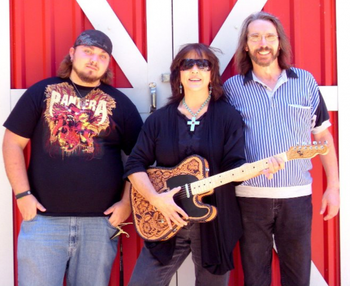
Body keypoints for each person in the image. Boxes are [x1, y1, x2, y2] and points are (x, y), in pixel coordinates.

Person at [124, 43, 281, 286]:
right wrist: (156, 199)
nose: (195, 70)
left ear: (212, 73)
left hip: (215, 224)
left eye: (203, 64)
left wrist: (257, 168)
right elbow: (135, 164)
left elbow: (234, 166)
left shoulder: (227, 116)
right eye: (187, 64)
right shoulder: (159, 120)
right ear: (178, 73)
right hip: (165, 218)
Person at [2, 30, 143, 286]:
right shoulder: (41, 93)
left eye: (102, 55)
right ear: (72, 53)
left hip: (100, 226)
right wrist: (23, 195)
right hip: (44, 222)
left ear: (108, 63)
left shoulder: (121, 104)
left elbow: (139, 159)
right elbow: (12, 143)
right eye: (88, 51)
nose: (94, 59)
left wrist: (127, 203)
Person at [223, 11, 340, 286]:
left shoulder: (305, 82)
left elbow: (323, 136)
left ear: (279, 42)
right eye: (255, 37)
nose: (263, 43)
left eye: (269, 36)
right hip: (249, 198)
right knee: (255, 279)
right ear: (246, 44)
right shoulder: (232, 88)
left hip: (296, 197)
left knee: (298, 278)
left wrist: (333, 186)